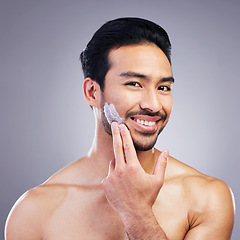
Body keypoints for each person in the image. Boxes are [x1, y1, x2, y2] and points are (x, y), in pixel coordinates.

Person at [5, 17, 235, 240]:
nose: (154, 105)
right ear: (92, 93)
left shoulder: (207, 198)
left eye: (163, 87)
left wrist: (137, 213)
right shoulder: (34, 212)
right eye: (134, 84)